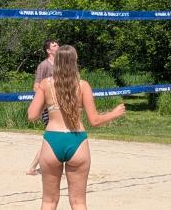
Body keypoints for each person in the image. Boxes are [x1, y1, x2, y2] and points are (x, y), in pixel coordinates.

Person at [28, 45, 126, 210]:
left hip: (53, 140)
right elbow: (94, 120)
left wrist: (46, 101)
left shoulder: (46, 84)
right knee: (79, 203)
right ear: (75, 62)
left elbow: (31, 116)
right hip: (77, 141)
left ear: (56, 62)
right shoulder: (83, 85)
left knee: (48, 202)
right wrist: (114, 113)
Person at [27, 39, 60, 175]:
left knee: (53, 137)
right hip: (49, 107)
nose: (58, 46)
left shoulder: (60, 64)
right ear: (48, 50)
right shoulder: (44, 65)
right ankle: (33, 167)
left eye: (58, 44)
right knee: (52, 137)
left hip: (59, 106)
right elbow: (36, 86)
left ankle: (34, 167)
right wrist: (46, 101)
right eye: (54, 45)